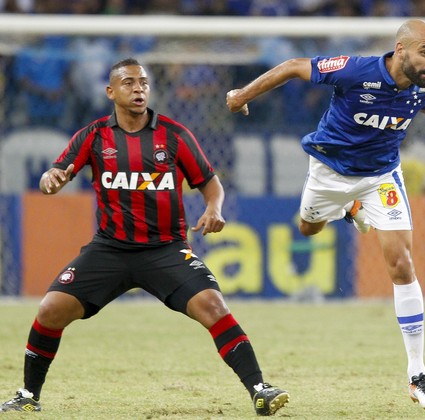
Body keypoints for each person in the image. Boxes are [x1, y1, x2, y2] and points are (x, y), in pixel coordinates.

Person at [225, 19, 425, 411]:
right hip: (329, 172)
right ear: (400, 50)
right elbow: (294, 66)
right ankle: (348, 210)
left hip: (381, 177)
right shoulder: (356, 70)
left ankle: (417, 375)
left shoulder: (424, 85)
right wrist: (241, 94)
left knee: (402, 263)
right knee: (308, 228)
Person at [0, 58, 288, 416]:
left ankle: (260, 389)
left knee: (213, 306)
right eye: (128, 83)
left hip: (165, 250)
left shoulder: (174, 135)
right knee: (50, 310)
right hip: (110, 250)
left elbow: (209, 182)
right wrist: (50, 180)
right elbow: (55, 173)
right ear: (111, 91)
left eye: (143, 83)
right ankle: (28, 395)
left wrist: (214, 208)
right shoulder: (93, 136)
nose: (138, 89)